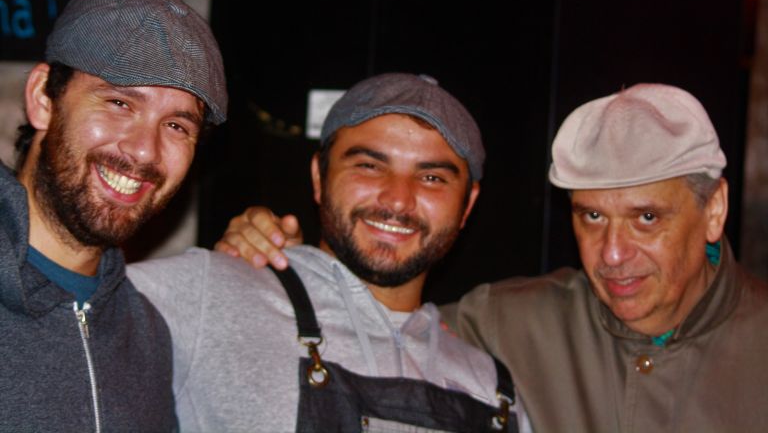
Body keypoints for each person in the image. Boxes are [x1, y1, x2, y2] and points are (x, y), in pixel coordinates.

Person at [224, 83, 768, 432]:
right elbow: (371, 318)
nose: (613, 253)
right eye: (591, 216)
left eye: (646, 217)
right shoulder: (505, 322)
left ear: (714, 210)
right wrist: (274, 259)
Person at [128, 73, 529, 432]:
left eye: (431, 177)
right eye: (370, 166)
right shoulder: (208, 294)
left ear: (467, 205)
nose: (398, 199)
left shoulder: (493, 392)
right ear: (319, 176)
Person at [0, 0, 227, 431]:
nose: (144, 150)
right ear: (44, 98)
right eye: (119, 103)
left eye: (177, 126)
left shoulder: (148, 335)